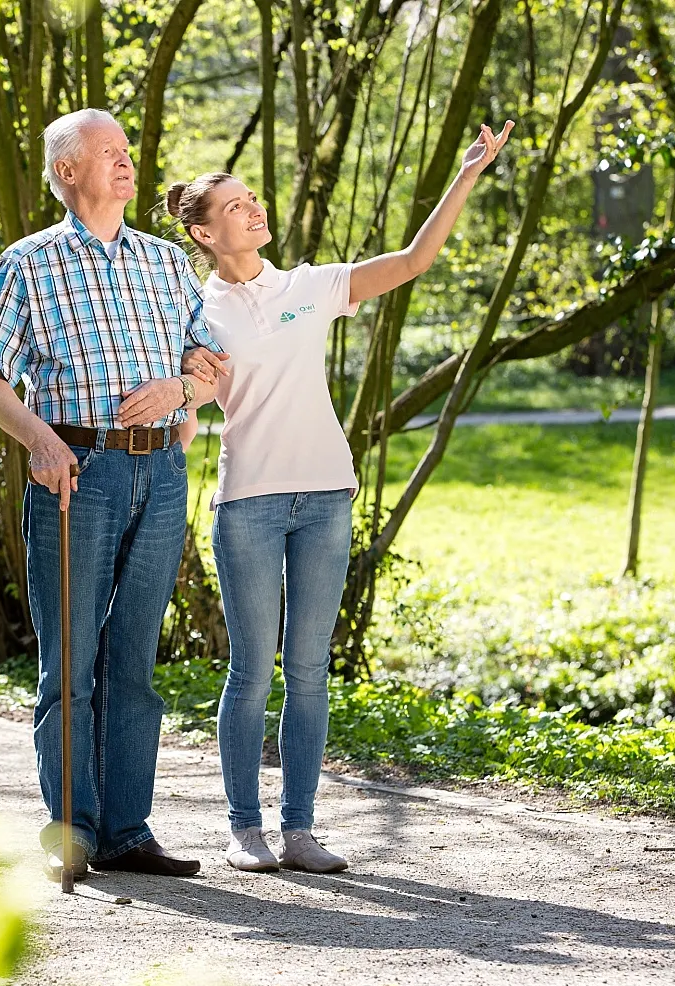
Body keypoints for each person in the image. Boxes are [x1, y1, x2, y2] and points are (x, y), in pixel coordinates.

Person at [168, 119, 515, 874]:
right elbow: (189, 403)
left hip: (326, 497)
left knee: (312, 669)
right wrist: (184, 399)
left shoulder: (309, 285)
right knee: (250, 672)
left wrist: (469, 171)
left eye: (253, 197)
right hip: (249, 505)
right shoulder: (192, 312)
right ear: (201, 231)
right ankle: (243, 829)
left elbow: (415, 259)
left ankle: (299, 830)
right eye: (233, 206)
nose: (253, 209)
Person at [0, 108, 231, 882]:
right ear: (65, 171)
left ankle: (125, 830)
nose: (125, 161)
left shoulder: (163, 262)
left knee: (133, 662)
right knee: (71, 664)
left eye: (126, 149)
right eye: (107, 152)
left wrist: (182, 392)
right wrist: (41, 442)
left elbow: (211, 367)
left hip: (160, 473)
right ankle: (73, 831)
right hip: (76, 474)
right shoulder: (27, 263)